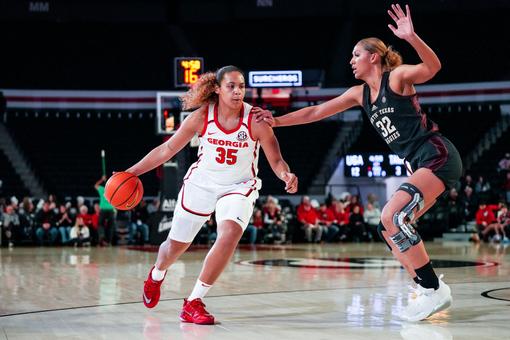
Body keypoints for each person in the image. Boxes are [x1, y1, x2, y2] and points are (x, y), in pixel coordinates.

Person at [255, 4, 461, 322]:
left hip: (436, 155)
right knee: (387, 227)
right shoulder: (358, 93)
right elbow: (314, 112)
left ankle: (435, 290)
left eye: (356, 55)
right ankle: (424, 286)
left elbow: (433, 67)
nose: (351, 60)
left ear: (373, 57)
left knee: (394, 216)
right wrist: (277, 122)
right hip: (418, 162)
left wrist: (412, 36)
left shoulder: (398, 78)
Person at [124, 65, 298, 325]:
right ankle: (157, 274)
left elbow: (277, 160)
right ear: (217, 89)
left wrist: (286, 175)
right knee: (174, 247)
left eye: (241, 86)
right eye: (231, 86)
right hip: (202, 183)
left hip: (239, 185)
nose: (238, 91)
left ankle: (193, 301)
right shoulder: (201, 116)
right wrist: (132, 172)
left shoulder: (256, 120)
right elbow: (167, 149)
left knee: (229, 234)